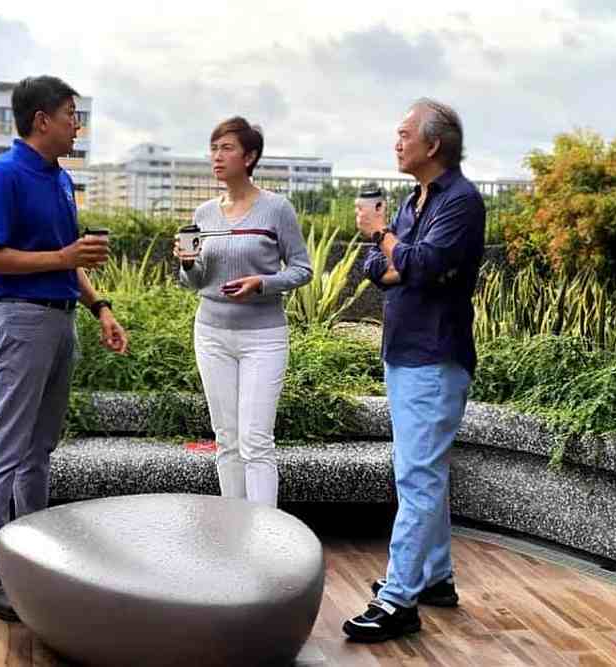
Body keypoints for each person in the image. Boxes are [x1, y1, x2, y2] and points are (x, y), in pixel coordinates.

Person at [0, 75, 128, 622]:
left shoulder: (61, 180)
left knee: (39, 451)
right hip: (19, 321)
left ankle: (32, 560)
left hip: (60, 322)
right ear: (42, 120)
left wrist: (100, 306)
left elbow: (68, 258)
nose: (77, 125)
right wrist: (60, 258)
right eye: (71, 115)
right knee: (6, 448)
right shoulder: (4, 176)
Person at [342, 99, 486, 642]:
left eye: (404, 134)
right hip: (403, 352)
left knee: (418, 477)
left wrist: (385, 237)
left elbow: (421, 266)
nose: (395, 142)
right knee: (423, 472)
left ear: (433, 144)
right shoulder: (414, 199)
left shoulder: (462, 202)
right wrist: (392, 250)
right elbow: (380, 269)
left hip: (434, 355)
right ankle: (435, 578)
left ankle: (399, 601)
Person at [173, 117, 312, 507]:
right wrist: (187, 263)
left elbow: (302, 269)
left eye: (227, 148)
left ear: (249, 157)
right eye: (214, 148)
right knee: (226, 438)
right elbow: (194, 283)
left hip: (263, 337)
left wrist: (262, 283)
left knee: (256, 439)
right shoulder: (203, 214)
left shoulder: (276, 209)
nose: (217, 156)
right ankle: (233, 531)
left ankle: (267, 539)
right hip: (211, 333)